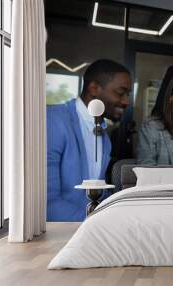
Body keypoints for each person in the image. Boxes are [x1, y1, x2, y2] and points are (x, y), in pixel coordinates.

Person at [47, 59, 131, 221]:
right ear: (94, 88)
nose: (126, 101)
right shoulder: (54, 122)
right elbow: (46, 204)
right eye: (121, 93)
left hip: (88, 231)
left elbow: (97, 193)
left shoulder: (104, 137)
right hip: (60, 234)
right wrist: (100, 223)